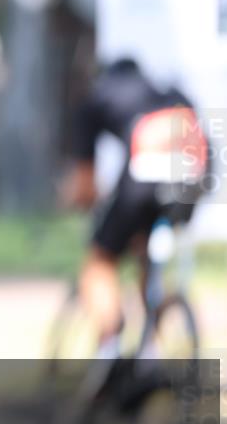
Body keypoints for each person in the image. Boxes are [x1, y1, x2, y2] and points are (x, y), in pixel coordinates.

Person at [61, 58, 210, 358]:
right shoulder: (168, 93)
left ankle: (109, 348)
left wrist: (80, 201)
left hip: (144, 180)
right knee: (146, 253)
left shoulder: (97, 98)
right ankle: (150, 347)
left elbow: (84, 184)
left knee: (100, 263)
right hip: (194, 180)